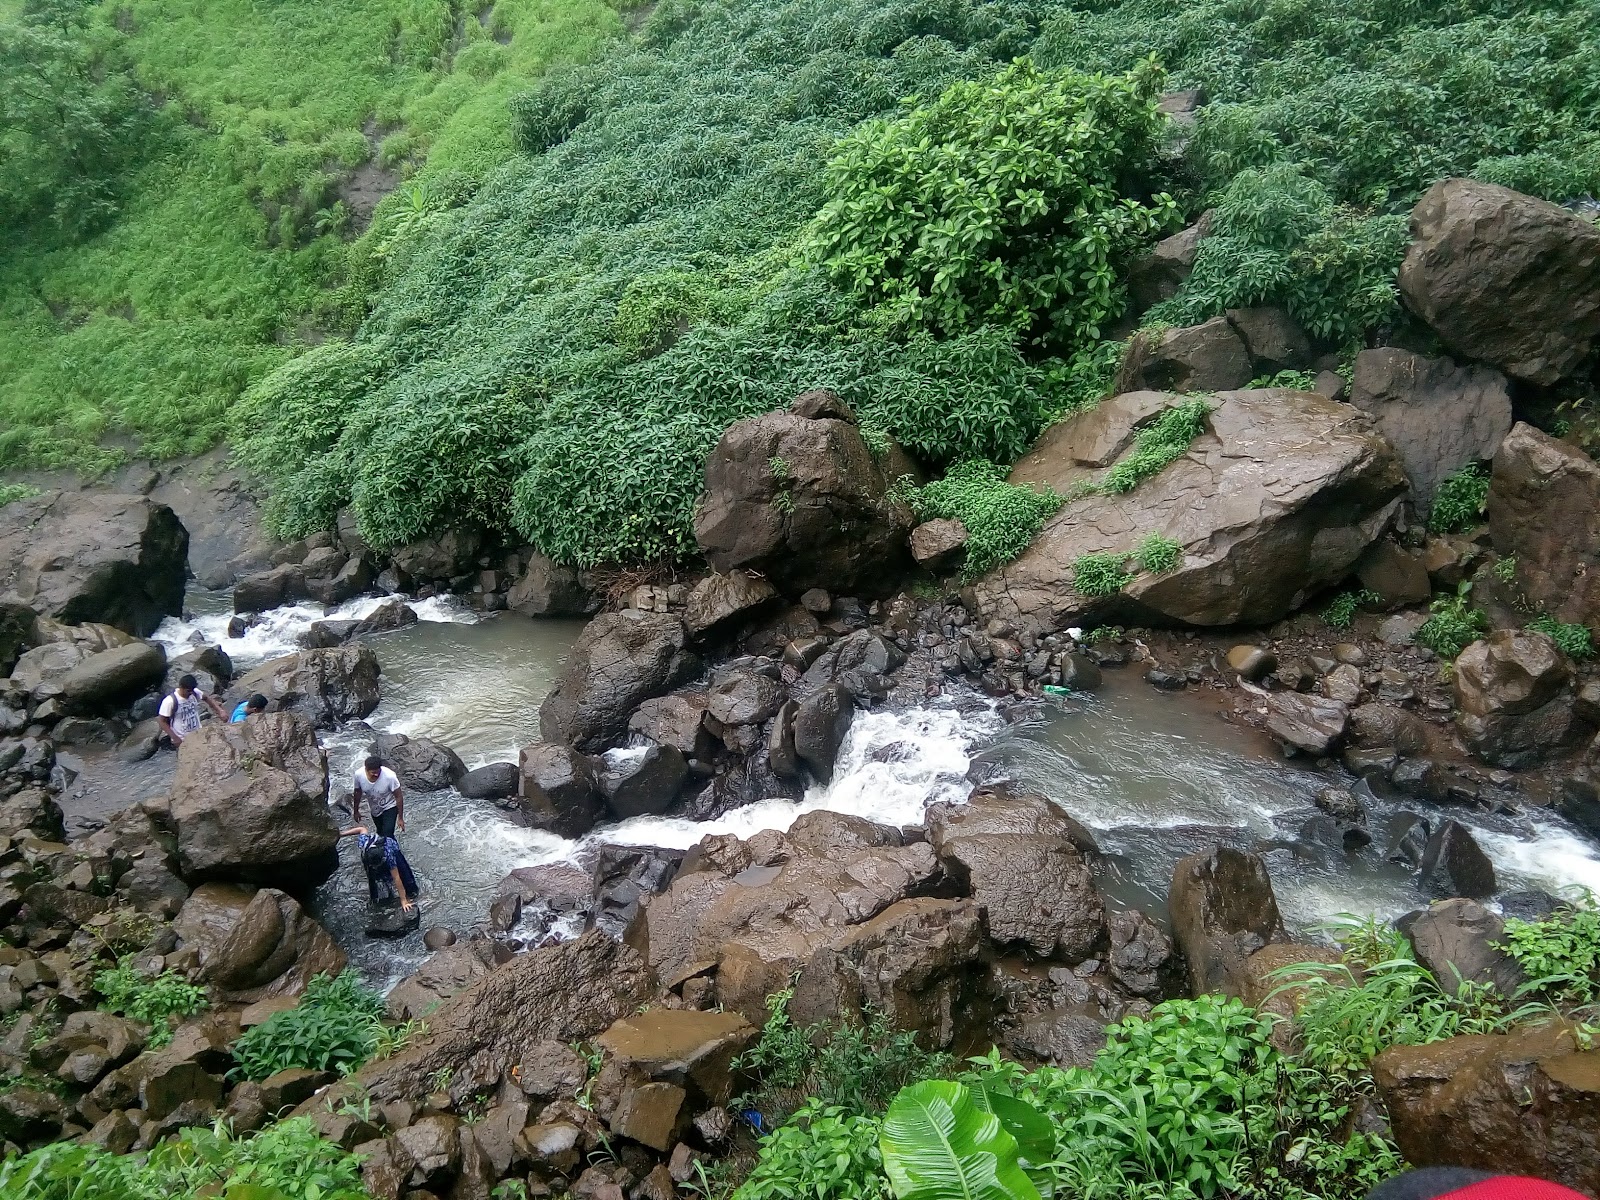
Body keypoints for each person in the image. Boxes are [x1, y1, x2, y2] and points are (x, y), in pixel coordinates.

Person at [338, 824, 418, 913]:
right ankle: (376, 899)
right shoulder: (364, 843)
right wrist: (341, 834)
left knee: (404, 875)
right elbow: (362, 829)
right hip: (372, 857)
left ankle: (410, 892)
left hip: (393, 849)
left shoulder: (388, 855)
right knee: (374, 880)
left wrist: (403, 900)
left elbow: (397, 878)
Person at [157, 674, 227, 747]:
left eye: (192, 690)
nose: (190, 693)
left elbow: (206, 698)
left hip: (198, 734)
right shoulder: (170, 701)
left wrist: (220, 711)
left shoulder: (194, 692)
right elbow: (162, 721)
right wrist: (175, 738)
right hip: (182, 739)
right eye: (188, 691)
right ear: (181, 687)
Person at [351, 755, 405, 839]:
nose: (376, 774)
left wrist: (400, 818)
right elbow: (358, 792)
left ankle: (392, 850)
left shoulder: (390, 776)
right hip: (375, 808)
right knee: (380, 832)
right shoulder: (359, 775)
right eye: (373, 772)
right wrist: (356, 811)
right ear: (366, 770)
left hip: (390, 806)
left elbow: (398, 796)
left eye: (378, 771)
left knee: (388, 832)